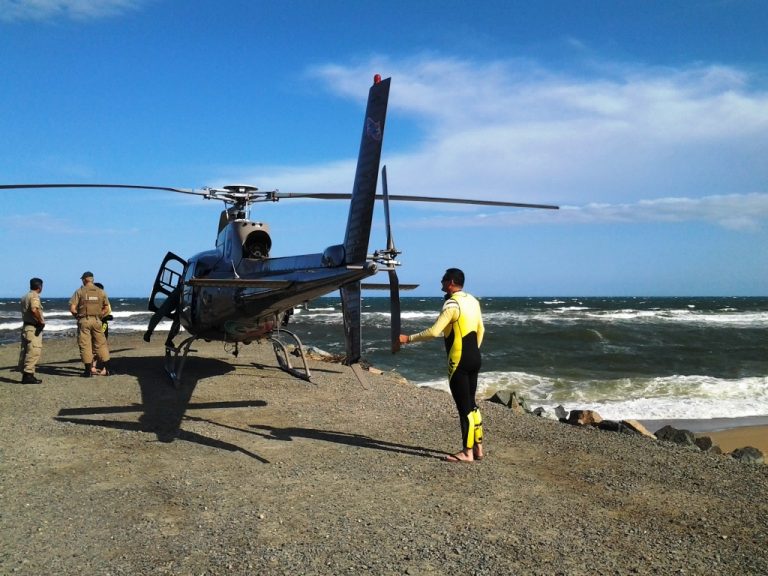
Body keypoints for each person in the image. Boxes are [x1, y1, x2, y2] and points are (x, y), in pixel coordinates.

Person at [399, 268, 485, 462]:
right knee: (472, 404)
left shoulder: (452, 305)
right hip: (475, 358)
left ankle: (467, 452)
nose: (441, 281)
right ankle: (479, 448)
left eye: (444, 279)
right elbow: (481, 329)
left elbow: (434, 331)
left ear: (451, 282)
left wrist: (407, 339)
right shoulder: (473, 301)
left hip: (459, 361)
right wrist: (473, 352)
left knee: (464, 408)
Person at [69, 272, 112, 377]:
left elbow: (72, 308)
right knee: (101, 345)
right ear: (92, 279)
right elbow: (106, 308)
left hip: (84, 320)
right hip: (97, 321)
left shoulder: (80, 291)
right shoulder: (101, 292)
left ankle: (88, 371)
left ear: (84, 280)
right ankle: (108, 369)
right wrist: (99, 316)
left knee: (85, 345)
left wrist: (77, 316)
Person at [19, 277, 46, 384]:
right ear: (39, 286)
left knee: (25, 351)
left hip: (26, 327)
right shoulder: (34, 296)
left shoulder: (24, 296)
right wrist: (41, 321)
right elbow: (34, 309)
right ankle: (28, 375)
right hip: (33, 327)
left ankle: (25, 373)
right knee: (34, 350)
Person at [91, 282, 114, 375]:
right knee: (99, 346)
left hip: (100, 325)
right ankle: (98, 368)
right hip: (100, 325)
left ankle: (96, 367)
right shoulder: (101, 299)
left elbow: (107, 312)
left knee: (97, 346)